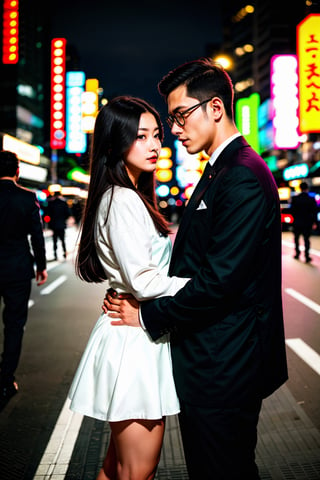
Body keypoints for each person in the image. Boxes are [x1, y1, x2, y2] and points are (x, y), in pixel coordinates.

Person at [104, 58, 288, 480]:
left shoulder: (240, 175)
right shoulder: (221, 169)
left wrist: (145, 314)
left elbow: (220, 281)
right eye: (172, 119)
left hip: (225, 364)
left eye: (181, 115)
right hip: (213, 358)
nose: (175, 128)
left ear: (216, 109)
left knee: (222, 469)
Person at [67, 96, 189, 480]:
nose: (155, 145)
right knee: (139, 471)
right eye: (141, 136)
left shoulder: (124, 195)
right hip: (134, 340)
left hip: (131, 333)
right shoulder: (123, 200)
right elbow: (144, 280)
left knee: (118, 467)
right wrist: (200, 285)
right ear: (115, 143)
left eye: (157, 135)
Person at [0, 150, 48, 409]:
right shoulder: (27, 198)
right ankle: (6, 379)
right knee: (14, 325)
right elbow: (37, 236)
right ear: (17, 171)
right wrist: (41, 266)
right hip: (18, 269)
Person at [290, 181, 318, 263]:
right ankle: (306, 256)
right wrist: (315, 222)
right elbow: (314, 212)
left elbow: (292, 211)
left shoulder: (295, 199)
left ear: (300, 188)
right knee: (306, 239)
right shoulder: (311, 199)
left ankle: (297, 254)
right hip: (307, 223)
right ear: (307, 188)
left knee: (296, 238)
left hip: (297, 222)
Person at [47, 190, 70, 260]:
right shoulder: (63, 203)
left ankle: (55, 255)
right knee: (62, 240)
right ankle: (64, 253)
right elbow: (68, 213)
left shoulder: (51, 203)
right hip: (61, 224)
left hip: (54, 225)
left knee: (55, 240)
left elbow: (48, 214)